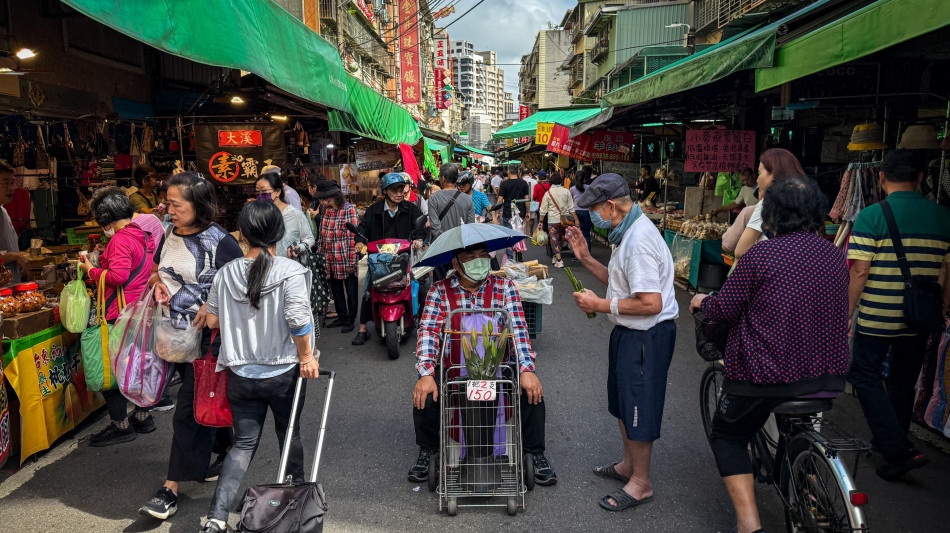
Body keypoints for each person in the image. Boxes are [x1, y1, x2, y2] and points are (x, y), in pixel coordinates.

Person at [690, 175, 850, 533]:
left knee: (728, 436)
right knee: (797, 428)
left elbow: (725, 308)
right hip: (825, 376)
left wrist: (703, 302)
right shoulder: (833, 255)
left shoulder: (762, 254)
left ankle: (749, 524)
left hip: (765, 375)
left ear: (772, 214)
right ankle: (806, 485)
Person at [199, 200, 319, 533]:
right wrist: (307, 357)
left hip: (240, 374)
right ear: (278, 233)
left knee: (242, 444)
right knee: (288, 435)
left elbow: (211, 320)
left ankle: (216, 518)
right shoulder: (290, 271)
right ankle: (294, 511)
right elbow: (298, 319)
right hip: (283, 373)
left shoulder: (225, 273)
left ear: (241, 233)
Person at [564, 173, 678, 512]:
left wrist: (600, 306)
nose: (592, 215)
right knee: (624, 402)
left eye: (595, 208)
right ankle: (629, 466)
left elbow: (650, 303)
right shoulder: (625, 232)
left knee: (639, 406)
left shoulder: (639, 240)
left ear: (611, 206)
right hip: (629, 332)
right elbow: (620, 283)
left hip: (646, 334)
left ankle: (641, 483)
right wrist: (585, 257)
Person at [140, 172, 242, 520]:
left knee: (186, 411)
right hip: (173, 337)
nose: (168, 209)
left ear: (198, 206)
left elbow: (240, 290)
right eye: (167, 202)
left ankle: (170, 488)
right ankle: (226, 451)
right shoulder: (168, 233)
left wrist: (214, 308)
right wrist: (157, 285)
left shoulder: (221, 242)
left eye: (175, 204)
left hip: (207, 342)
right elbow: (156, 271)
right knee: (205, 401)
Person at [410, 243, 556, 486]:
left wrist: (527, 369)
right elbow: (428, 333)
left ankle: (534, 452)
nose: (479, 262)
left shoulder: (504, 287)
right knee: (425, 393)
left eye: (483, 256)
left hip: (497, 369)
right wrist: (425, 372)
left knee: (532, 391)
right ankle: (429, 451)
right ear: (456, 263)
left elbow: (518, 330)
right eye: (471, 257)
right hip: (454, 369)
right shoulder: (439, 291)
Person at [847, 149, 950, 480]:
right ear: (920, 178)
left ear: (881, 177)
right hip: (919, 318)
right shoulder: (943, 217)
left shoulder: (872, 216)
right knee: (903, 382)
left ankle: (894, 447)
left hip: (877, 316)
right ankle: (889, 447)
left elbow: (860, 272)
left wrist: (846, 313)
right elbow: (948, 272)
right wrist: (944, 308)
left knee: (864, 374)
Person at [80, 187, 160, 446]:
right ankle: (143, 416)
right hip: (140, 309)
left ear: (106, 219)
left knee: (111, 366)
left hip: (120, 312)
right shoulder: (142, 234)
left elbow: (118, 277)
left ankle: (120, 424)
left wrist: (90, 269)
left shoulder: (120, 239)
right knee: (137, 365)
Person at [351, 173, 423, 345]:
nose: (399, 193)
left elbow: (419, 227)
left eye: (401, 190)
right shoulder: (373, 211)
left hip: (404, 258)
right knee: (368, 290)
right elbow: (362, 230)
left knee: (421, 285)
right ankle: (362, 329)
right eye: (395, 190)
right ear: (385, 191)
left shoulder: (411, 209)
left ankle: (423, 322)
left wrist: (419, 239)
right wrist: (360, 242)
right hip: (379, 260)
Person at [733, 149, 806, 259]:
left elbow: (740, 251)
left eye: (759, 173)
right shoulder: (805, 200)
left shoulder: (768, 203)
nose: (757, 180)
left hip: (775, 269)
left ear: (773, 175)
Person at [316, 180, 360, 333]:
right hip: (330, 259)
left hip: (345, 258)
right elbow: (322, 235)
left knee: (351, 290)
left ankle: (350, 319)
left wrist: (350, 262)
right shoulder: (326, 210)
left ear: (331, 197)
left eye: (323, 198)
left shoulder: (349, 210)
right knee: (336, 290)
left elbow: (352, 238)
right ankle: (342, 316)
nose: (321, 201)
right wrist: (320, 256)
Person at [255, 172, 315, 262]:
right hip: (267, 267)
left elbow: (309, 238)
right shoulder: (258, 215)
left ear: (278, 192)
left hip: (290, 268)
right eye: (257, 192)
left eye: (264, 191)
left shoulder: (295, 214)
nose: (260, 195)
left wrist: (299, 247)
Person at [428, 163, 475, 242]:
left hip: (441, 247)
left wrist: (447, 243)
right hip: (461, 245)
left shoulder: (434, 198)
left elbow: (435, 228)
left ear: (443, 178)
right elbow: (470, 225)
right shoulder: (467, 199)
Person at [0, 160, 29, 282]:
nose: (11, 188)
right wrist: (15, 257)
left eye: (12, 183)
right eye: (6, 183)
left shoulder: (3, 211)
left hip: (9, 292)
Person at [538, 173, 574, 269]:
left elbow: (543, 210)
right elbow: (571, 207)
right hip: (564, 220)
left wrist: (540, 222)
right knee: (561, 237)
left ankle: (559, 260)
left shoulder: (548, 193)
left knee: (554, 239)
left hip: (552, 220)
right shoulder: (566, 191)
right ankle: (556, 255)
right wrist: (576, 219)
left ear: (550, 182)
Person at [570, 167, 593, 249]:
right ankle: (587, 253)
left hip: (576, 213)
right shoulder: (589, 188)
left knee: (576, 234)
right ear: (584, 178)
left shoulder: (572, 189)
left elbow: (571, 201)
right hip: (587, 212)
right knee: (586, 234)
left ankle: (578, 255)